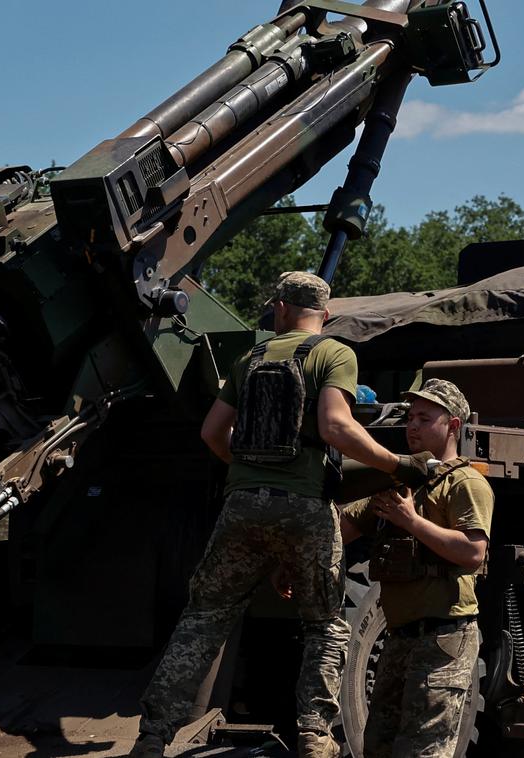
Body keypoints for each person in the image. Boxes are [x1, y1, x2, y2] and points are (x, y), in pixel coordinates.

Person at [128, 272, 433, 758]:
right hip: (307, 507)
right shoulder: (334, 354)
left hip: (241, 508)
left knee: (203, 619)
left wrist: (248, 471)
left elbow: (211, 434)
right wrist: (395, 464)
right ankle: (315, 737)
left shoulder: (248, 359)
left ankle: (151, 737)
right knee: (324, 625)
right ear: (325, 315)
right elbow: (335, 426)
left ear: (280, 309)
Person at [339, 379, 494, 758]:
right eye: (410, 418)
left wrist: (411, 522)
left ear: (453, 426)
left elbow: (473, 551)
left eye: (425, 418)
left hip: (444, 638)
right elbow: (345, 527)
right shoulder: (398, 480)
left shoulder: (465, 483)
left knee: (424, 750)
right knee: (377, 746)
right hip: (400, 637)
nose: (412, 426)